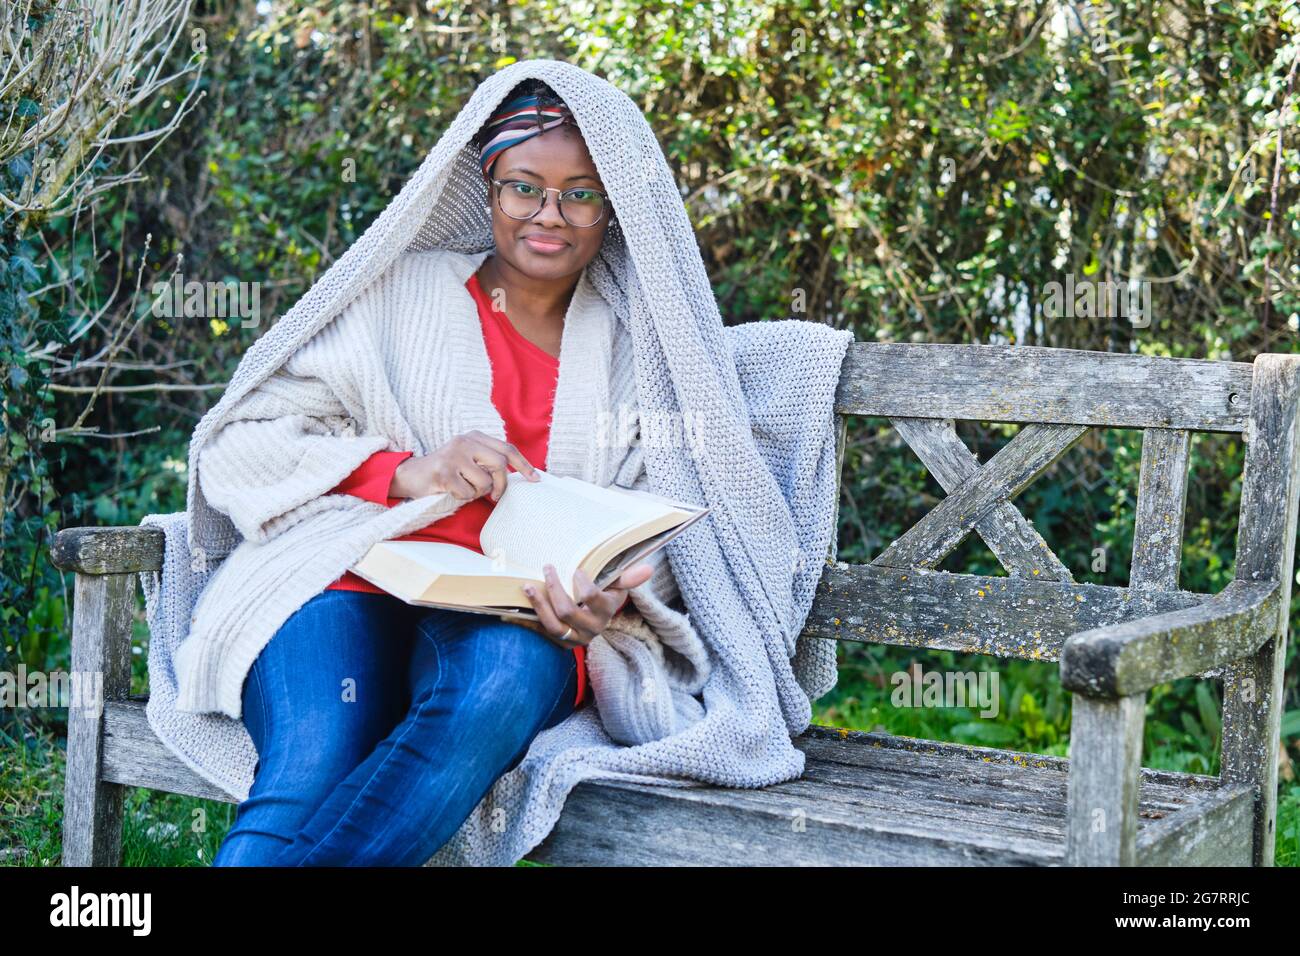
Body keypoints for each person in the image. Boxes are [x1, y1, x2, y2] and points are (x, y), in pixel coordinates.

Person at [212, 79, 655, 866]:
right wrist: (404, 471)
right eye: (523, 187)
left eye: (580, 195)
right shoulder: (398, 293)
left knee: (495, 689)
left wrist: (609, 596)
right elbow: (243, 440)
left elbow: (666, 517)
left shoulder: (636, 350)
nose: (548, 215)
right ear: (484, 186)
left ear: (611, 209)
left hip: (521, 617)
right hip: (344, 578)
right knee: (313, 762)